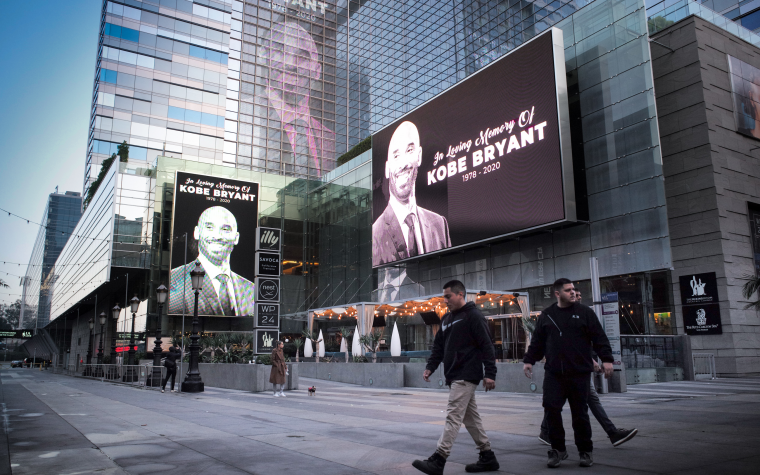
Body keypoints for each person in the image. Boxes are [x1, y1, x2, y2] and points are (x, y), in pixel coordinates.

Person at [523, 278, 614, 469]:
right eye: (568, 290)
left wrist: (607, 360)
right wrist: (529, 360)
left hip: (579, 373)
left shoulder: (585, 313)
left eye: (573, 289)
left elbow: (599, 338)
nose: (573, 292)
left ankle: (585, 451)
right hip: (554, 374)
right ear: (558, 294)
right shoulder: (547, 315)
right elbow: (538, 342)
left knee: (580, 414)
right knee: (551, 410)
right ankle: (558, 450)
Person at [412, 280, 499, 475]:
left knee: (453, 416)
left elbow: (487, 346)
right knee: (471, 419)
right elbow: (439, 347)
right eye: (444, 296)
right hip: (454, 374)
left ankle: (439, 459)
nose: (445, 300)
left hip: (466, 374)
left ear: (461, 294)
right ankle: (488, 457)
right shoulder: (446, 319)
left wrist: (490, 374)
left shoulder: (474, 316)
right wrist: (430, 367)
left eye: (448, 296)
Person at [538, 290, 638, 447]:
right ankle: (612, 433)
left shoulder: (582, 315)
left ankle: (545, 431)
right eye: (575, 295)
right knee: (570, 400)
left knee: (566, 400)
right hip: (568, 369)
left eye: (579, 295)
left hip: (578, 369)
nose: (578, 297)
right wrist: (591, 361)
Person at [372, 121, 451, 267]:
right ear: (387, 168)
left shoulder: (440, 225)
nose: (403, 164)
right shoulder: (375, 234)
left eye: (409, 151)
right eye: (396, 156)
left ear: (419, 156)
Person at [262, 22, 335, 178]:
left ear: (317, 71)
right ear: (265, 58)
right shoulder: (246, 117)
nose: (290, 64)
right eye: (279, 51)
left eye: (301, 57)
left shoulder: (330, 138)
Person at [169, 206, 255, 316]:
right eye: (209, 227)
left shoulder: (251, 290)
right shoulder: (175, 280)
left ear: (236, 237)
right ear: (197, 232)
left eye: (225, 229)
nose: (217, 236)